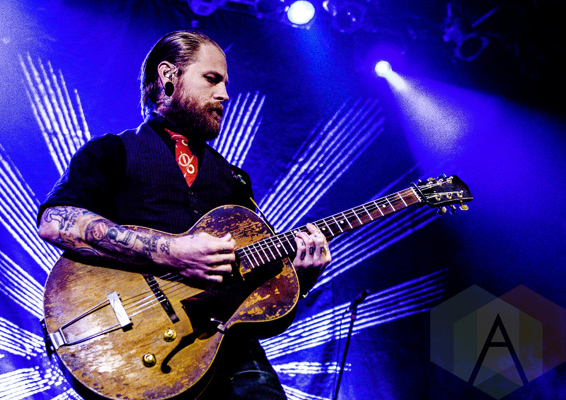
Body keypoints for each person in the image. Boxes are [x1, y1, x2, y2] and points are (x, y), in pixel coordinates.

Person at [37, 30, 331, 399]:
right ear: (168, 75)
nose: (224, 94)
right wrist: (171, 252)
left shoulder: (235, 180)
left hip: (230, 352)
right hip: (133, 346)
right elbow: (55, 221)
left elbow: (258, 300)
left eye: (225, 83)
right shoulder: (111, 151)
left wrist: (301, 277)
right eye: (212, 79)